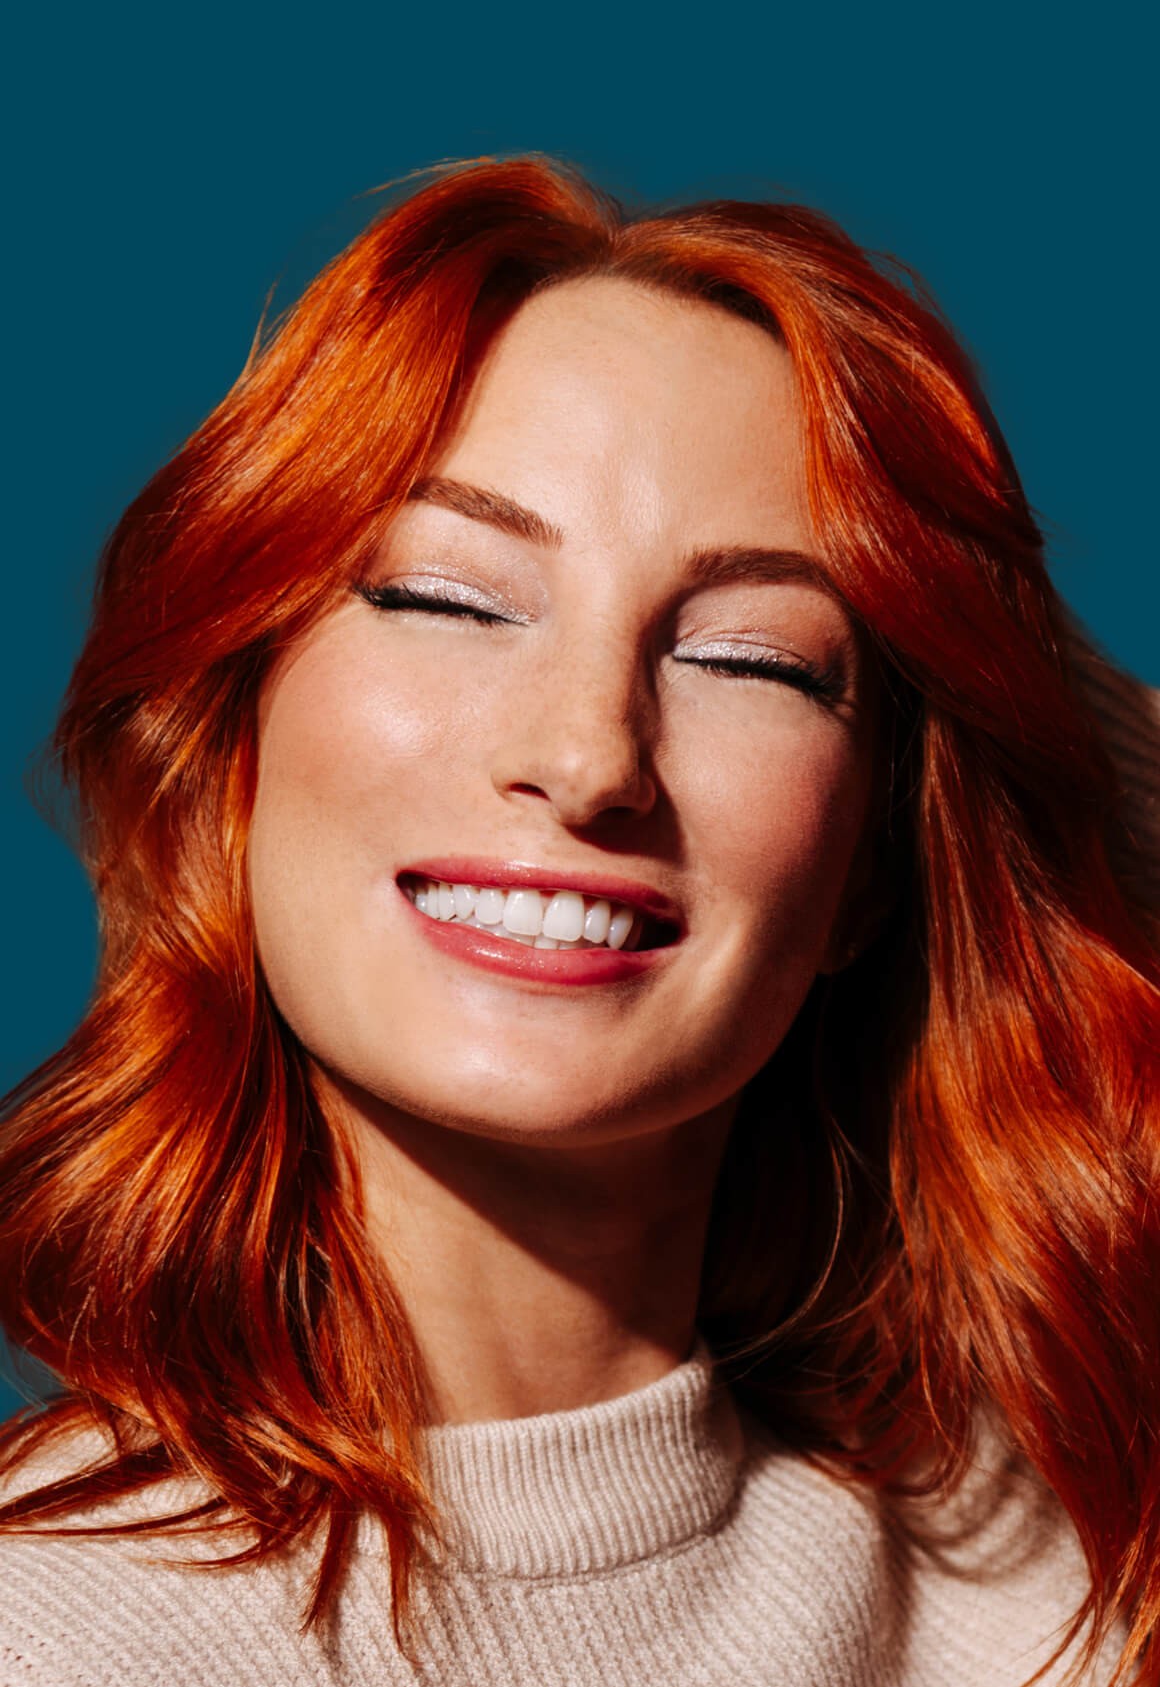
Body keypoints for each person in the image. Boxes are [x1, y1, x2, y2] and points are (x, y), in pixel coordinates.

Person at [0, 157, 1156, 1687]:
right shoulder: (54, 1629)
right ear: (235, 750)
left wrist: (992, 647)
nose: (591, 753)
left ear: (872, 864)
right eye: (448, 596)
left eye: (751, 657)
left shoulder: (1065, 1567)